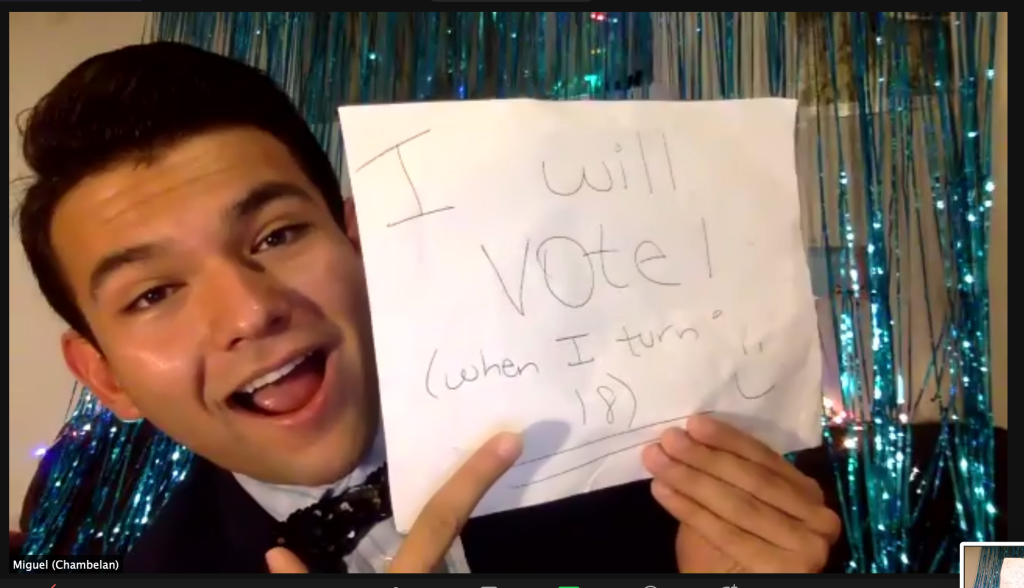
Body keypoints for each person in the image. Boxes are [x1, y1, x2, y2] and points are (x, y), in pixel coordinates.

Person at [15, 41, 841, 573]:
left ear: (356, 239)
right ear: (105, 377)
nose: (248, 311)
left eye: (275, 236)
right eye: (154, 293)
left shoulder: (664, 449)